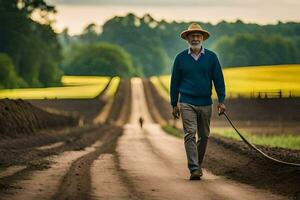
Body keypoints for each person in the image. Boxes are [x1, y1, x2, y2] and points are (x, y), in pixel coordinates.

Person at [170, 23, 226, 180]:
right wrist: (174, 103)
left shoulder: (211, 57)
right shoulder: (180, 58)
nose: (195, 38)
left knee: (204, 135)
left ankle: (198, 164)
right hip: (186, 102)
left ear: (202, 38)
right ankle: (194, 168)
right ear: (187, 38)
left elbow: (219, 80)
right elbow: (174, 82)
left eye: (198, 36)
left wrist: (221, 101)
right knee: (190, 134)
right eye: (192, 36)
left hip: (206, 102)